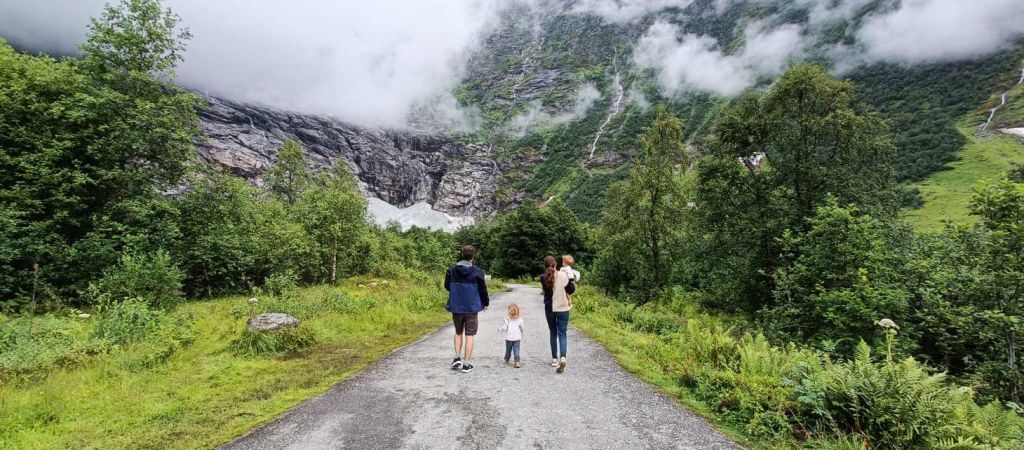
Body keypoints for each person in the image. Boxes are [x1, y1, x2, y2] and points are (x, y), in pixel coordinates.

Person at [444, 245, 489, 373]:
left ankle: (457, 357)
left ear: (462, 255)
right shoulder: (477, 272)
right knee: (470, 335)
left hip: (456, 306)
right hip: (471, 307)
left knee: (458, 332)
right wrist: (486, 302)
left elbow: (447, 286)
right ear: (473, 256)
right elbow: (482, 289)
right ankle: (466, 364)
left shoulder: (451, 270)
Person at [541, 255, 573, 374]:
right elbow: (571, 290)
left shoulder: (543, 277)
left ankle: (554, 359)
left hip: (550, 309)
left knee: (553, 332)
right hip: (563, 308)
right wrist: (571, 278)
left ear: (545, 266)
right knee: (562, 333)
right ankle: (563, 357)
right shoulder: (563, 275)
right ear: (556, 264)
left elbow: (546, 290)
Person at [500, 303, 524, 368]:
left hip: (508, 338)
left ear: (508, 311)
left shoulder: (506, 319)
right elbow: (522, 328)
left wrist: (501, 330)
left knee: (508, 349)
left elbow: (504, 328)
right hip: (517, 338)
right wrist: (521, 331)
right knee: (516, 350)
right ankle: (517, 362)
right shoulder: (520, 319)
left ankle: (507, 358)